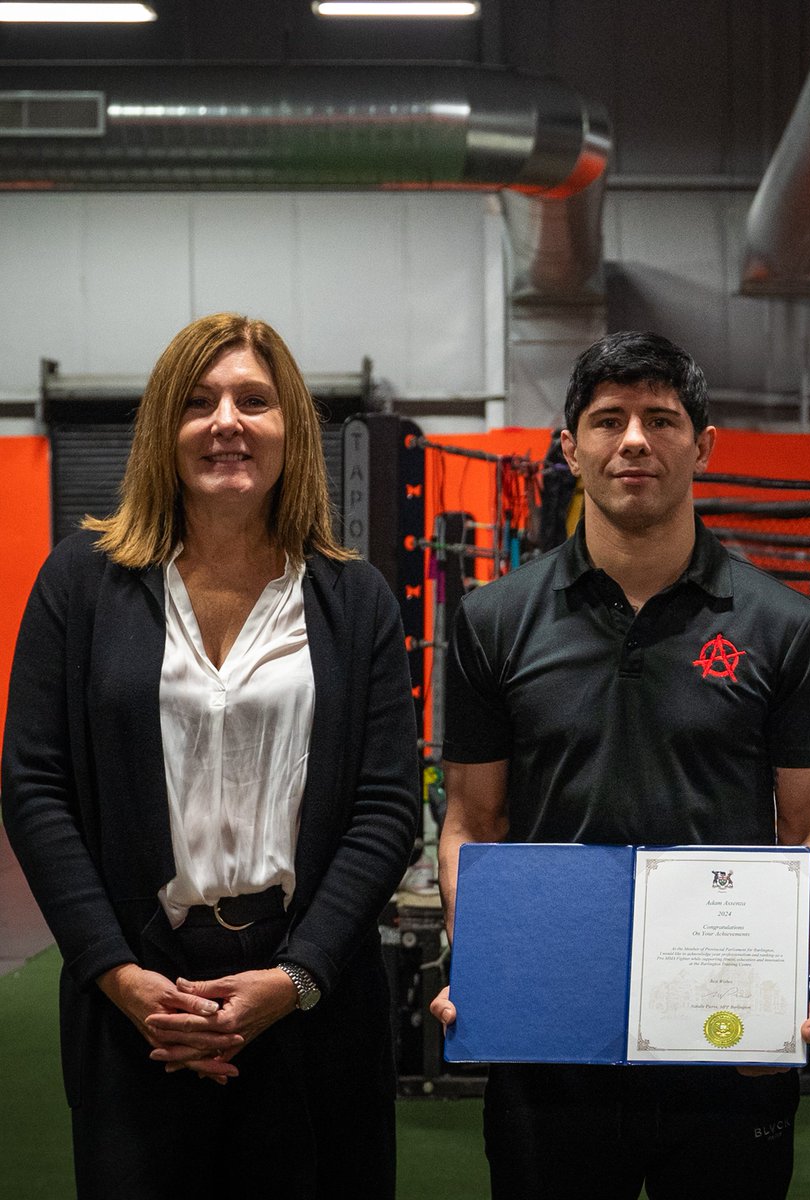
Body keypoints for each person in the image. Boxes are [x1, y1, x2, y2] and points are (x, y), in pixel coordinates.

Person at [1, 313, 421, 1200]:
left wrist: (297, 976)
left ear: (291, 427)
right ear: (164, 429)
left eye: (253, 400)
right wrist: (118, 976)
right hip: (139, 998)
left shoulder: (356, 599)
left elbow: (387, 808)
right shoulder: (80, 583)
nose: (226, 420)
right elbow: (35, 789)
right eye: (198, 402)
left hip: (309, 998)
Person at [430, 330, 810, 1200]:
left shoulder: (785, 626)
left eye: (661, 419)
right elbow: (473, 820)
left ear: (703, 445)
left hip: (724, 1037)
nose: (633, 441)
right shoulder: (492, 620)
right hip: (550, 1032)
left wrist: (784, 984)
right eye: (607, 419)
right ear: (570, 445)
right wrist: (481, 959)